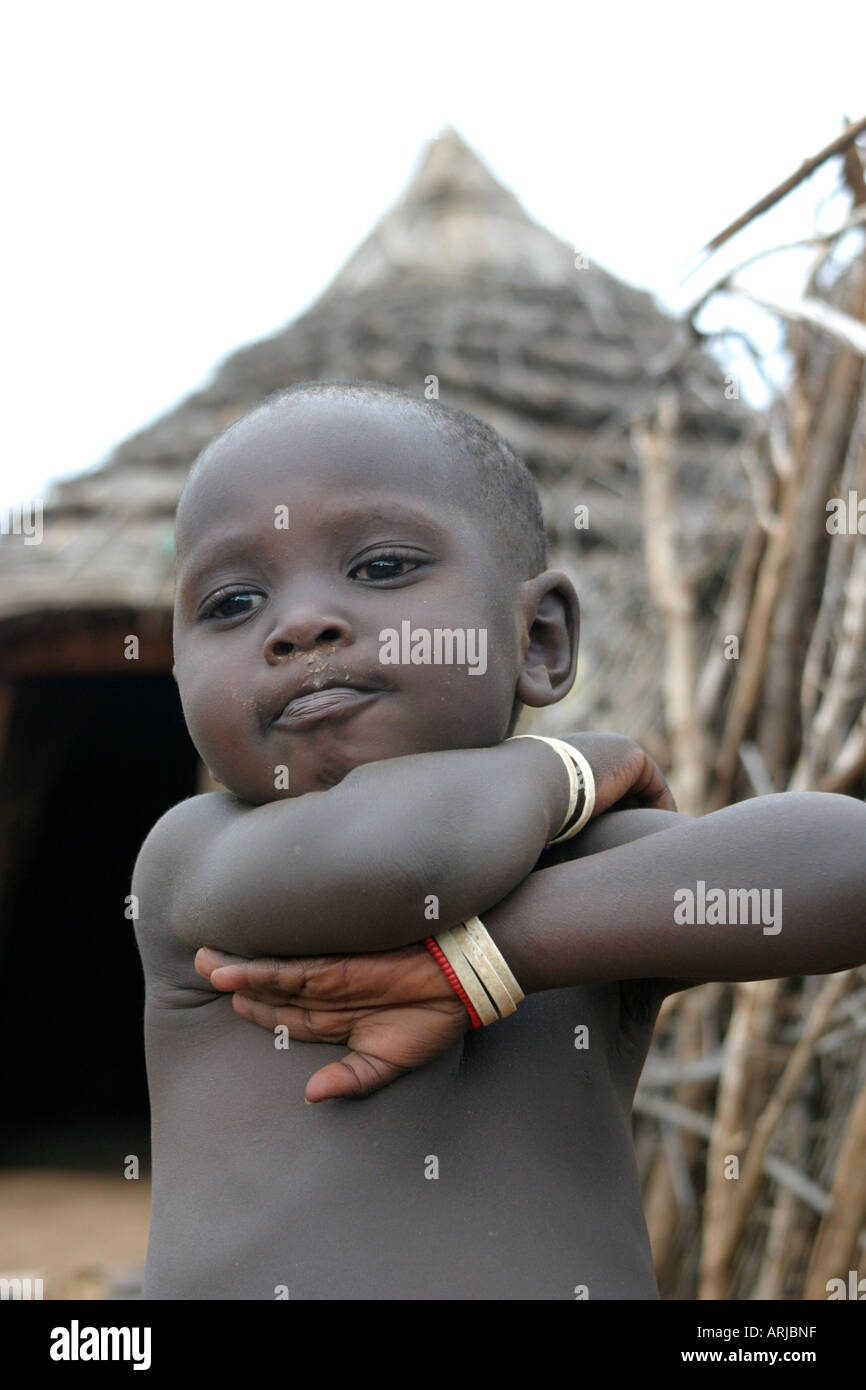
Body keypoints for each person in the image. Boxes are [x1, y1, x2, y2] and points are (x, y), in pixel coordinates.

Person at [132, 380, 866, 1300]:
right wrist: (569, 766)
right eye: (233, 601)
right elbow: (404, 860)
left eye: (383, 567)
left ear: (542, 640)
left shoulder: (576, 864)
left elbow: (847, 866)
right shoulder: (197, 860)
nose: (298, 625)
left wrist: (486, 961)